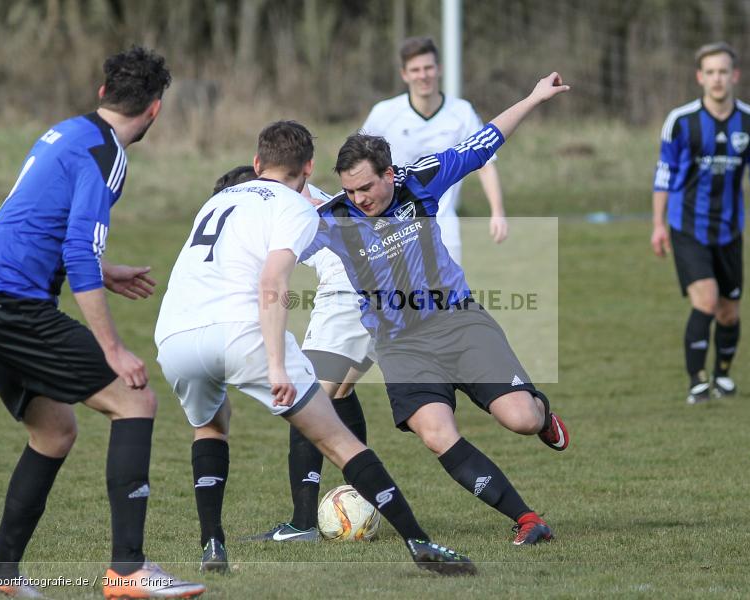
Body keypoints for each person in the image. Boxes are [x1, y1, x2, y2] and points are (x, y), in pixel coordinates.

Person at [154, 121, 475, 575]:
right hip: (241, 329)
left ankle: (213, 546)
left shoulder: (216, 200)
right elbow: (272, 281)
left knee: (210, 425)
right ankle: (420, 542)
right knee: (337, 440)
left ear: (258, 163)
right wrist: (275, 364)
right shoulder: (296, 206)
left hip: (174, 333)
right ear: (309, 168)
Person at [0, 47, 205, 598]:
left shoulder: (64, 132)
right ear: (156, 110)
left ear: (102, 93)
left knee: (54, 431)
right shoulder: (106, 155)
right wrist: (112, 349)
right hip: (11, 304)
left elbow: (34, 218)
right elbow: (74, 246)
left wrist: (103, 268)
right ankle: (129, 570)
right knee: (135, 399)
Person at [302, 72, 571, 546]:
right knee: (434, 432)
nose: (359, 198)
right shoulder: (332, 219)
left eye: (367, 187)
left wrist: (531, 98)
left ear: (389, 173)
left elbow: (482, 143)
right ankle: (528, 519)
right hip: (401, 346)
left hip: (458, 322)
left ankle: (542, 414)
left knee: (521, 420)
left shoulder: (420, 180)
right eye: (350, 189)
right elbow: (274, 234)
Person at [241, 178, 377, 543]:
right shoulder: (298, 191)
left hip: (346, 291)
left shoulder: (273, 198)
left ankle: (301, 525)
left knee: (306, 398)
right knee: (340, 391)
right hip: (381, 287)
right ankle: (365, 499)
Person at [650, 42, 750, 405]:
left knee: (729, 311)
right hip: (687, 225)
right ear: (700, 77)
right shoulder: (681, 122)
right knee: (706, 300)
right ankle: (697, 381)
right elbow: (664, 175)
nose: (717, 78)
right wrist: (658, 224)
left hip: (729, 230)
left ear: (734, 75)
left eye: (723, 71)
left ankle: (722, 375)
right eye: (710, 72)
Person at [362, 36, 507, 264]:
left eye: (428, 67)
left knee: (447, 297)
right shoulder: (384, 114)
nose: (423, 75)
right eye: (416, 69)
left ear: (439, 69)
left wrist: (497, 212)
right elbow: (360, 166)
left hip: (444, 226)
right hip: (393, 227)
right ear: (405, 74)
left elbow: (486, 164)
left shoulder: (462, 112)